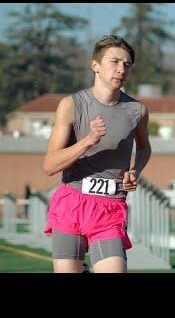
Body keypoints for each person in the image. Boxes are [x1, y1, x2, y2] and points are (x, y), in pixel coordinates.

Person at [43, 35, 151, 273]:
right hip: (72, 201)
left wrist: (135, 170)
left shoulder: (137, 110)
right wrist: (87, 141)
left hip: (110, 208)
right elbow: (50, 165)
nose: (121, 69)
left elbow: (144, 147)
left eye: (127, 64)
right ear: (95, 66)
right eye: (114, 62)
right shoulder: (72, 105)